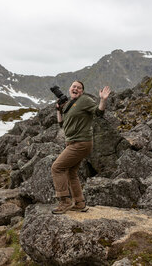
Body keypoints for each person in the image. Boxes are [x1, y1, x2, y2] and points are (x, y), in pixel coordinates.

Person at [51, 81, 111, 214]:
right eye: (74, 86)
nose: (76, 89)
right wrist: (59, 110)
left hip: (81, 143)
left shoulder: (85, 100)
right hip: (73, 143)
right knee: (71, 172)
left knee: (57, 167)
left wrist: (103, 100)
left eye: (79, 87)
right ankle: (79, 203)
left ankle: (64, 201)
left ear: (82, 91)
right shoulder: (69, 105)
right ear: (69, 89)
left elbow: (98, 112)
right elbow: (62, 124)